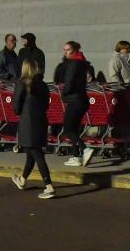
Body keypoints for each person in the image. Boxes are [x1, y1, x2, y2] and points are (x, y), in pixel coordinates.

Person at [10, 60, 55, 200]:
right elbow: (47, 104)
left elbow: (16, 107)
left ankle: (49, 186)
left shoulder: (22, 83)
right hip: (41, 120)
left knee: (36, 153)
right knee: (31, 153)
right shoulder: (42, 85)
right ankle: (22, 180)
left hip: (28, 121)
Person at [60, 41, 93, 167]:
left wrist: (64, 95)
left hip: (74, 100)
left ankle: (85, 149)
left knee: (68, 128)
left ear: (74, 50)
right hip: (82, 99)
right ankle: (76, 156)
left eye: (68, 49)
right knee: (73, 128)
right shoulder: (82, 63)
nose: (65, 52)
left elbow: (69, 82)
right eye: (64, 49)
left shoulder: (73, 64)